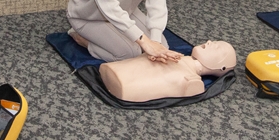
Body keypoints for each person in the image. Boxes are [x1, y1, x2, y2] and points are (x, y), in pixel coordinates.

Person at [98, 41, 237, 102]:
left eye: (217, 47)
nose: (209, 42)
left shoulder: (193, 82)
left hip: (123, 85)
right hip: (115, 70)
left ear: (222, 66)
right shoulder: (178, 56)